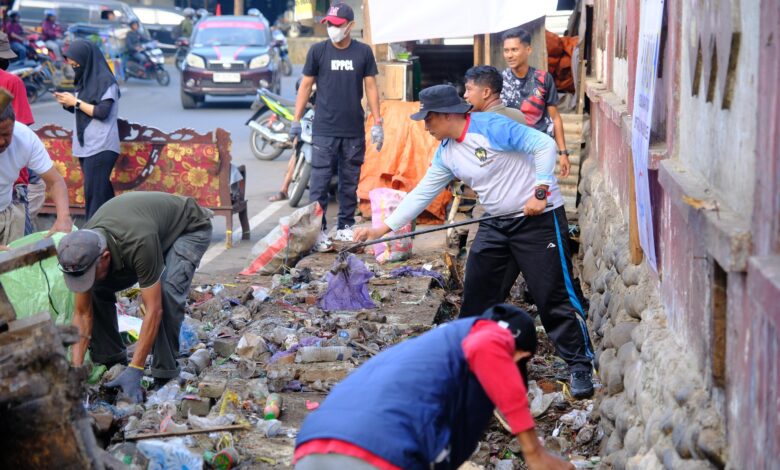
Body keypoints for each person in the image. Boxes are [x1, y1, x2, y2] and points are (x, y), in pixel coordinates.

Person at [353, 85, 595, 398]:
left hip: (538, 220)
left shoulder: (492, 128)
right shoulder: (446, 152)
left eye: (428, 119)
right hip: (496, 223)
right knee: (477, 296)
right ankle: (467, 362)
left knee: (551, 296)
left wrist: (540, 191)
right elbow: (423, 193)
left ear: (444, 115)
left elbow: (544, 145)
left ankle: (579, 365)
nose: (425, 127)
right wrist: (380, 230)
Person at [295, 304, 574, 470]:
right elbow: (486, 347)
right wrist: (534, 452)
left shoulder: (429, 356)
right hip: (375, 451)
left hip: (313, 446)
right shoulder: (486, 334)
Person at [57, 192, 213, 402]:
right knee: (95, 289)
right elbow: (82, 313)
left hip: (187, 229)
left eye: (89, 273)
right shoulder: (84, 250)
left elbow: (153, 310)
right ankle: (111, 361)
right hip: (146, 233)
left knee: (166, 294)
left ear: (105, 258)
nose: (85, 279)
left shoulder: (138, 242)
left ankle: (164, 375)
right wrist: (76, 371)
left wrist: (137, 368)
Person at [290, 2, 382, 252]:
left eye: (338, 25)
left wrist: (378, 121)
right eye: (329, 24)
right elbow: (305, 86)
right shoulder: (318, 51)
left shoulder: (363, 53)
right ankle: (316, 231)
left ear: (351, 26)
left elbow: (371, 87)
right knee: (318, 183)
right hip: (324, 130)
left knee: (349, 182)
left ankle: (344, 226)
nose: (332, 28)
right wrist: (296, 121)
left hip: (353, 130)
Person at [54, 39, 121, 220]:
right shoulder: (84, 80)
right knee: (103, 196)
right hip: (87, 147)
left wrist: (75, 102)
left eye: (77, 64)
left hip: (101, 147)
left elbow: (101, 112)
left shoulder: (106, 82)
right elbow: (82, 110)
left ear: (87, 60)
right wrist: (66, 101)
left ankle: (91, 237)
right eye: (73, 65)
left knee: (94, 199)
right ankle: (113, 229)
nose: (75, 68)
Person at [0, 99, 72, 246]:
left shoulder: (24, 138)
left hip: (6, 212)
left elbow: (55, 182)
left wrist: (63, 217)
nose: (2, 141)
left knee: (13, 267)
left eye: (7, 134)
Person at [501, 28, 571, 179]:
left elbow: (555, 118)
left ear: (528, 50)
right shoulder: (500, 81)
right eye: (506, 50)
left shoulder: (544, 79)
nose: (509, 55)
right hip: (512, 151)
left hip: (541, 149)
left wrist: (563, 153)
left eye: (514, 49)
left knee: (543, 195)